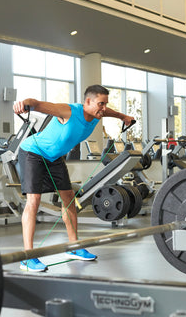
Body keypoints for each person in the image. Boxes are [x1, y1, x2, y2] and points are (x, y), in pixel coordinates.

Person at [13, 84, 136, 272]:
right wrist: (24, 103)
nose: (103, 109)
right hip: (33, 152)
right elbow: (37, 104)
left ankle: (74, 248)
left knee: (69, 198)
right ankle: (27, 257)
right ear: (88, 101)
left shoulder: (96, 114)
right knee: (34, 199)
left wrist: (123, 117)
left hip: (54, 157)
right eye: (100, 104)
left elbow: (108, 111)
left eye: (105, 104)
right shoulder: (68, 111)